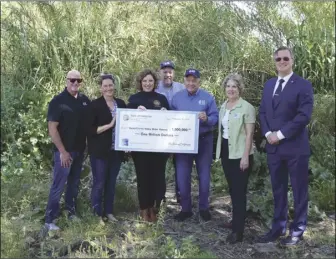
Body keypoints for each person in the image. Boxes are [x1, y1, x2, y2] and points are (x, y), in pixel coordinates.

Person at [258, 46, 314, 246]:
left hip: (295, 148)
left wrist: (280, 135)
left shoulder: (303, 85)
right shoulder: (269, 84)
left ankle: (297, 231)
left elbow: (303, 116)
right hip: (274, 149)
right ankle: (278, 227)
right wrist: (267, 134)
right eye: (278, 59)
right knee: (278, 189)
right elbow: (263, 112)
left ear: (292, 60)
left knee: (299, 191)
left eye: (285, 58)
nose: (282, 61)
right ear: (274, 62)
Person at [45, 70, 90, 231]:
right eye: (72, 80)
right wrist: (63, 152)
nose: (75, 83)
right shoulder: (58, 101)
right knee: (59, 185)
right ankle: (50, 220)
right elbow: (52, 129)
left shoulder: (84, 100)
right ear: (66, 81)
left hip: (79, 151)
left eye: (78, 80)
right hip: (64, 153)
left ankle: (71, 212)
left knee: (74, 184)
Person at [171, 68, 219, 222]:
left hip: (203, 140)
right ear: (184, 81)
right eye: (188, 80)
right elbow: (169, 118)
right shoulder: (177, 98)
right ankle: (186, 209)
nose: (191, 83)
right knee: (182, 176)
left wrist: (207, 119)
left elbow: (215, 118)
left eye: (194, 80)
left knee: (204, 176)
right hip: (183, 142)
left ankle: (203, 208)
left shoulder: (207, 97)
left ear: (199, 82)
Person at [215, 73, 256, 244]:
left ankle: (238, 232)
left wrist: (245, 157)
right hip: (226, 152)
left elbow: (249, 135)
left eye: (234, 86)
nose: (231, 89)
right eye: (228, 86)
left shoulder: (247, 107)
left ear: (240, 89)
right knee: (232, 190)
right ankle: (235, 221)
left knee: (239, 192)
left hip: (241, 154)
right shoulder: (223, 106)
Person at [127, 69, 170, 222]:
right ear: (140, 82)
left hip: (159, 148)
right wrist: (135, 112)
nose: (147, 83)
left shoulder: (162, 99)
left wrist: (166, 113)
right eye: (144, 81)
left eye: (150, 81)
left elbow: (170, 122)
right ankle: (144, 209)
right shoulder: (134, 99)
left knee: (158, 179)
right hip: (141, 148)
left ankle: (155, 207)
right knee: (143, 178)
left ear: (155, 82)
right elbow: (127, 121)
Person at [87, 73, 126, 223]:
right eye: (105, 86)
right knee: (99, 182)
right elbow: (90, 130)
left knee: (111, 182)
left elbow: (130, 122)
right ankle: (97, 214)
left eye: (110, 85)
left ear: (114, 86)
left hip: (116, 151)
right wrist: (109, 126)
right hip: (99, 151)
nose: (108, 88)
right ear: (101, 88)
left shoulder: (121, 104)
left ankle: (109, 212)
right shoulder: (94, 105)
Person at [155, 60, 185, 204]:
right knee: (160, 166)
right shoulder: (154, 87)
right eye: (164, 71)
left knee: (180, 165)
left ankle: (180, 196)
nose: (167, 74)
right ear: (160, 72)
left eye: (170, 71)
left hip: (178, 132)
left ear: (174, 73)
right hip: (160, 133)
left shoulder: (182, 88)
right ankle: (161, 197)